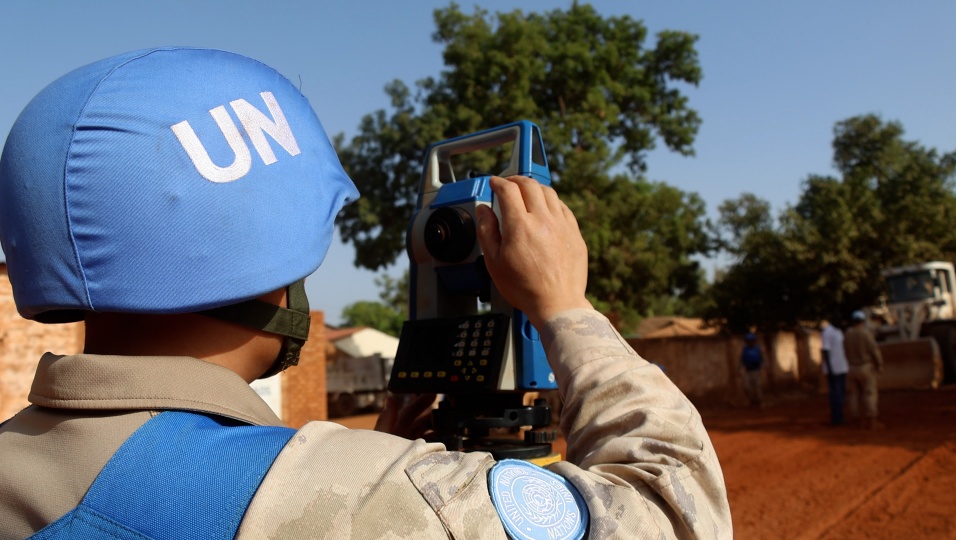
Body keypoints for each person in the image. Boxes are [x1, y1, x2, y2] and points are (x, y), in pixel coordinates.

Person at [0, 48, 731, 539]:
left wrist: (376, 453)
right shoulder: (350, 496)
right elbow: (670, 513)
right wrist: (565, 306)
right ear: (267, 247)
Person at [843, 310, 884, 430]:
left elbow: (844, 351)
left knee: (853, 395)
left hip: (851, 368)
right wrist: (879, 365)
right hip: (865, 367)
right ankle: (871, 420)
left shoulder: (847, 334)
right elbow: (874, 350)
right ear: (863, 321)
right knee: (869, 393)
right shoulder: (866, 334)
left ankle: (856, 421)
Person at [820, 317, 849, 426]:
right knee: (835, 394)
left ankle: (840, 415)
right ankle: (836, 417)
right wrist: (830, 368)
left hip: (841, 367)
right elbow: (825, 350)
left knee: (841, 393)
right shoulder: (827, 331)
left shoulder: (838, 331)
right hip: (833, 369)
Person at [740, 332, 764, 407]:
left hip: (756, 370)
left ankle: (759, 401)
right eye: (748, 340)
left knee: (757, 386)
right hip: (748, 370)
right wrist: (740, 369)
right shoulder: (745, 350)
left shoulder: (758, 349)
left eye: (751, 340)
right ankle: (752, 400)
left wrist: (764, 367)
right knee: (747, 386)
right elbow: (742, 360)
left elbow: (763, 358)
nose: (750, 342)